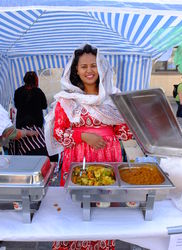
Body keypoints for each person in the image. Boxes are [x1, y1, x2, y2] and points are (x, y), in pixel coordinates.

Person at [45, 44, 133, 250]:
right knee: (74, 211)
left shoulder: (114, 99)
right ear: (75, 70)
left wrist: (135, 120)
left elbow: (124, 133)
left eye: (93, 65)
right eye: (83, 66)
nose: (89, 70)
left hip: (108, 159)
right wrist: (83, 135)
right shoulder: (67, 100)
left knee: (103, 211)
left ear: (101, 68)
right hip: (77, 160)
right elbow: (58, 133)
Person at [13, 71, 48, 155]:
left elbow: (17, 105)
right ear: (36, 81)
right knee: (38, 149)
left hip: (21, 126)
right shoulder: (39, 92)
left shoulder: (18, 91)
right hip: (36, 126)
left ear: (25, 80)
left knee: (24, 149)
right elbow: (44, 106)